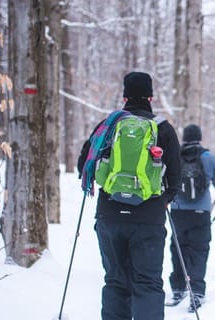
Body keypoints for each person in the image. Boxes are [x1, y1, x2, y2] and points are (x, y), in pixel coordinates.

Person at [77, 71, 181, 320]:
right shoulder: (163, 129)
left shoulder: (108, 126)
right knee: (147, 283)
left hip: (110, 215)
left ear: (124, 98)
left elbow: (84, 166)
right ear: (151, 97)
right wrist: (161, 201)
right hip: (149, 218)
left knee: (115, 281)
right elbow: (176, 178)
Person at [167, 124, 215, 313]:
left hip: (177, 212)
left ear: (184, 137)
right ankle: (197, 292)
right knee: (199, 252)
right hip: (200, 213)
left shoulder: (175, 156)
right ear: (199, 137)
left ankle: (177, 288)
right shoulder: (208, 158)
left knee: (178, 250)